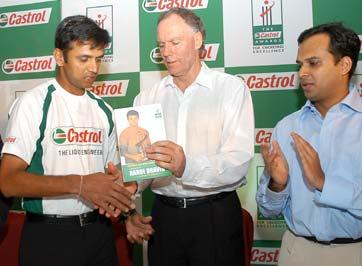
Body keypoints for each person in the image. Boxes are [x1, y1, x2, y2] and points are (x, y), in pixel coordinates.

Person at [0, 15, 136, 266]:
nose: (93, 68)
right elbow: (8, 181)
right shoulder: (33, 103)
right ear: (59, 57)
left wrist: (130, 212)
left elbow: (110, 179)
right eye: (84, 59)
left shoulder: (104, 109)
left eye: (98, 59)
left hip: (100, 233)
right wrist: (80, 184)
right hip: (49, 238)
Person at [125, 7, 254, 266]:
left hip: (214, 216)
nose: (167, 52)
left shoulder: (230, 89)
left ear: (198, 40)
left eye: (175, 42)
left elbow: (238, 162)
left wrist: (186, 165)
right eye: (162, 45)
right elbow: (144, 167)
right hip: (164, 217)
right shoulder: (147, 98)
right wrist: (130, 185)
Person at [256, 22, 362, 266]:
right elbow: (268, 210)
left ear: (344, 65)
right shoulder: (286, 127)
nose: (302, 72)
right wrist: (277, 184)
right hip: (297, 253)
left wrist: (324, 183)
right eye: (300, 64)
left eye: (313, 63)